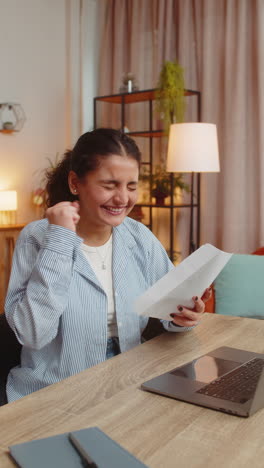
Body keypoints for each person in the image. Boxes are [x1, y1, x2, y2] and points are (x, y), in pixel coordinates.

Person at [5, 128, 211, 402]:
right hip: (55, 391)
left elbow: (169, 312)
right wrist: (61, 239)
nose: (123, 198)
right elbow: (32, 334)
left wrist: (184, 316)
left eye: (131, 186)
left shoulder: (138, 236)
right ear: (75, 183)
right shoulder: (37, 237)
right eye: (110, 185)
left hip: (129, 380)